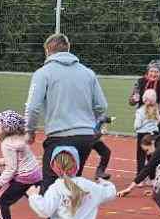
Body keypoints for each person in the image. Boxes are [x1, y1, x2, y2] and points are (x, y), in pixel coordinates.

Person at [25, 32, 109, 185]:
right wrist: (97, 127)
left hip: (60, 137)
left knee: (50, 188)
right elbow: (101, 106)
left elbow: (32, 107)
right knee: (71, 184)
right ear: (68, 49)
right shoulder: (88, 73)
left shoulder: (42, 73)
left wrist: (30, 131)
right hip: (86, 137)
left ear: (47, 51)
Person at [0, 110, 43, 219]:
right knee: (42, 202)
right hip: (35, 175)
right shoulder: (20, 138)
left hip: (23, 178)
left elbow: (11, 168)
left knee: (1, 199)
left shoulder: (7, 143)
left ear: (7, 128)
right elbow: (18, 159)